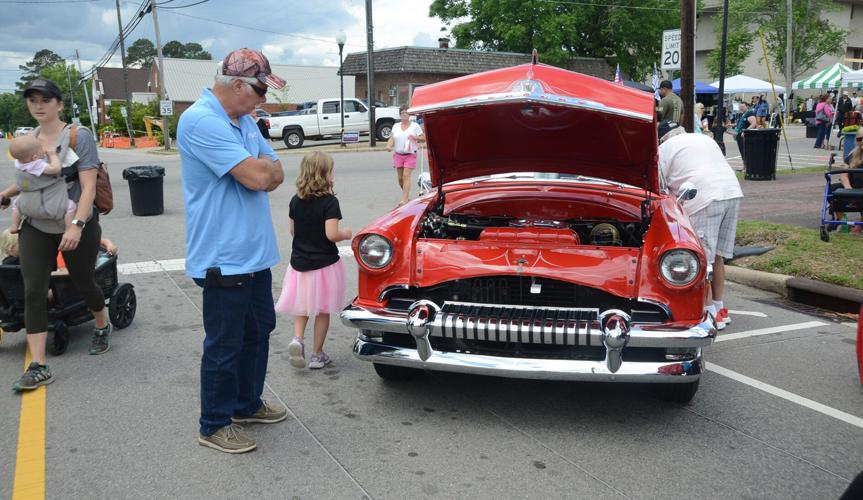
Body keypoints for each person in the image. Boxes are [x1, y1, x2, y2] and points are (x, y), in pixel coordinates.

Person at [178, 48, 288, 454]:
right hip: (224, 255)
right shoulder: (202, 120)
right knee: (225, 343)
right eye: (260, 89)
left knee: (258, 332)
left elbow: (275, 171)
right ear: (237, 84)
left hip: (254, 252)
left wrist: (263, 168)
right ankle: (214, 423)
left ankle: (246, 403)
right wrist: (262, 169)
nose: (264, 98)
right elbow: (259, 177)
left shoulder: (242, 120)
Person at [0, 78, 111, 391]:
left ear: (59, 104)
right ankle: (38, 366)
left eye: (45, 100)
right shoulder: (29, 138)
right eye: (32, 100)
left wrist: (76, 225)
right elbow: (30, 180)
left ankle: (101, 324)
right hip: (35, 224)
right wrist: (6, 195)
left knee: (82, 280)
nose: (38, 105)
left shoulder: (77, 136)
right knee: (33, 288)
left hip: (73, 222)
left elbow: (88, 186)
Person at [658, 121, 743, 331]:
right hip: (732, 191)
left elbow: (658, 186)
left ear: (662, 138)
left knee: (702, 258)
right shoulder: (703, 138)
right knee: (719, 256)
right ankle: (720, 307)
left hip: (704, 196)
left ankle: (709, 313)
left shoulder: (664, 149)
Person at [276, 151, 351, 370]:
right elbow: (331, 234)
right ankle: (317, 355)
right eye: (331, 170)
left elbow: (293, 231)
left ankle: (297, 339)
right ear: (324, 174)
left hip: (299, 263)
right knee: (322, 310)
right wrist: (345, 233)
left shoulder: (295, 201)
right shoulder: (330, 202)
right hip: (324, 265)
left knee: (302, 305)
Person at [7, 134, 76, 234]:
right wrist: (52, 155)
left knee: (16, 205)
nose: (43, 150)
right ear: (34, 157)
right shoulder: (36, 164)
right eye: (41, 149)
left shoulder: (19, 163)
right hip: (47, 203)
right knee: (71, 206)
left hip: (26, 202)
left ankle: (14, 225)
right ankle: (69, 229)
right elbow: (55, 169)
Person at [386, 105, 425, 206]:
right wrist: (389, 146)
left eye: (406, 113)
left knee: (406, 176)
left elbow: (423, 138)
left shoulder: (415, 126)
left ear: (410, 115)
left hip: (410, 154)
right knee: (400, 178)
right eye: (403, 113)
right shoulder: (396, 126)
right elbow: (392, 138)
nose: (405, 115)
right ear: (400, 115)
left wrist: (415, 137)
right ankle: (406, 195)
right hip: (398, 154)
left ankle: (404, 199)